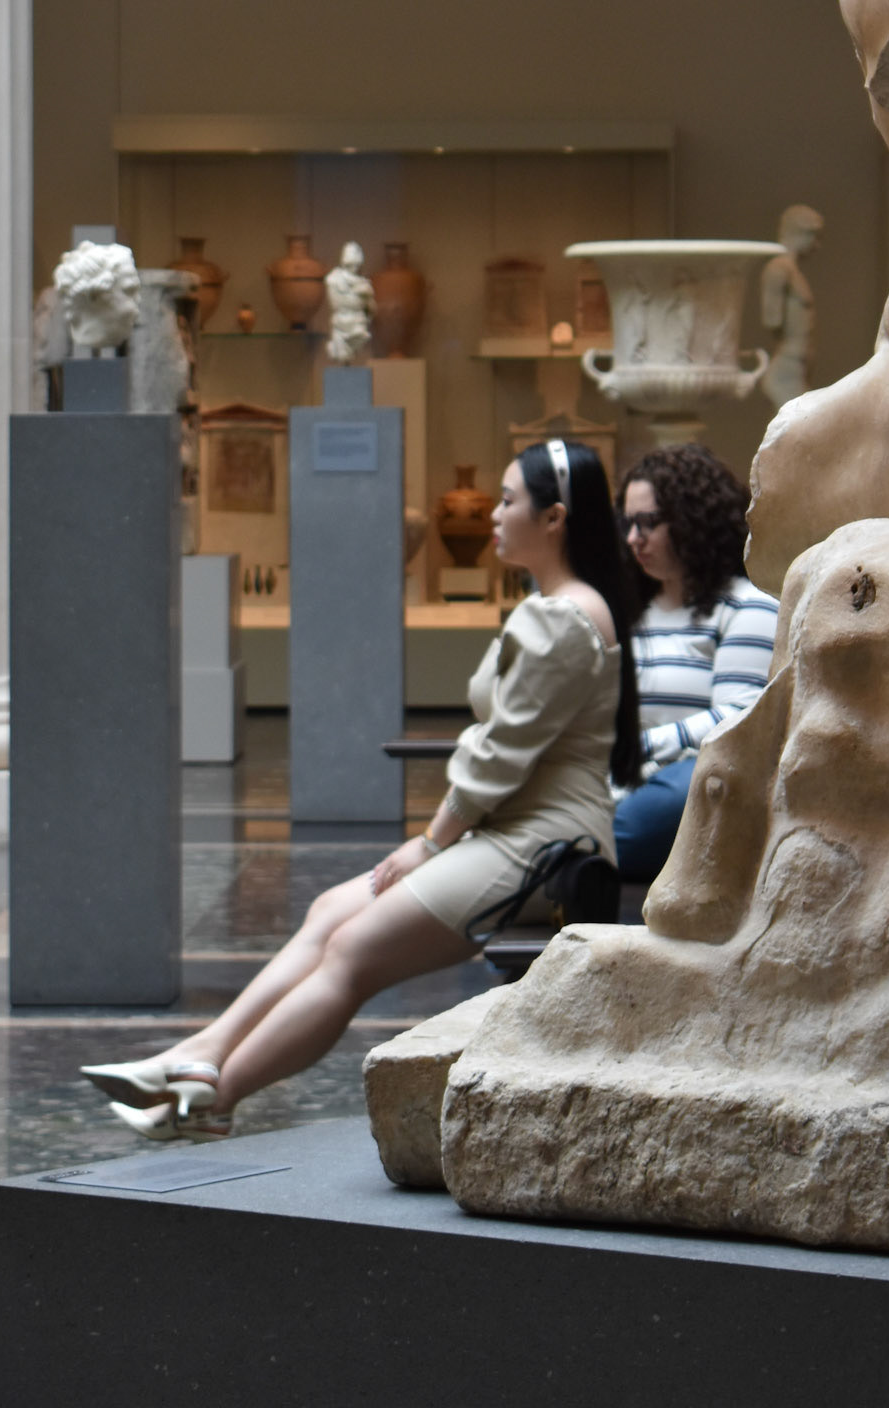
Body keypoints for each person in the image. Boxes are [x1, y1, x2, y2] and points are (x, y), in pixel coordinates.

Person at [80, 436, 640, 1141]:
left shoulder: (561, 617)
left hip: (544, 847)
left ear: (554, 518)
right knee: (327, 911)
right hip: (517, 832)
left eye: (507, 501)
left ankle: (211, 1100)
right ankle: (200, 1056)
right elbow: (505, 748)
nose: (495, 516)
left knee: (352, 952)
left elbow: (500, 756)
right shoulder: (566, 608)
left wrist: (429, 843)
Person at [613, 443, 779, 883]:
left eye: (648, 523)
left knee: (645, 818)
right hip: (620, 779)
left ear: (692, 522)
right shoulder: (627, 612)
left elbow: (736, 718)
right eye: (628, 524)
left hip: (690, 785)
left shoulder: (747, 606)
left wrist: (640, 746)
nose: (634, 539)